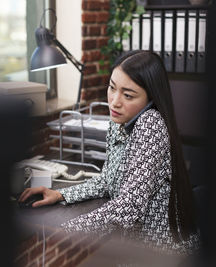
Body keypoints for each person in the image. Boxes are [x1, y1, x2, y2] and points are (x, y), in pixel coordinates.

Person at [19, 50, 199, 255]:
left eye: (128, 95)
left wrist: (70, 230)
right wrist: (60, 194)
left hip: (161, 253)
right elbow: (107, 180)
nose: (114, 102)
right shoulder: (120, 121)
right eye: (112, 88)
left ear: (151, 99)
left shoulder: (151, 124)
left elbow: (130, 206)